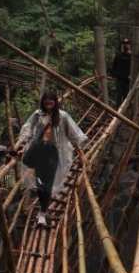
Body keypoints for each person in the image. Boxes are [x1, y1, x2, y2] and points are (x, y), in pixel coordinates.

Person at [14, 91, 88, 227]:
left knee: (46, 185)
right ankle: (42, 212)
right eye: (46, 100)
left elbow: (73, 135)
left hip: (53, 152)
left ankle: (42, 213)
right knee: (40, 184)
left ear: (55, 102)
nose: (48, 102)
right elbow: (28, 130)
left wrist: (81, 153)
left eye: (51, 100)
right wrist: (21, 145)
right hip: (37, 150)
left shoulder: (63, 116)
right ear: (43, 101)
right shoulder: (37, 115)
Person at [111, 38, 132, 104]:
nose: (126, 45)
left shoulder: (132, 56)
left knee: (127, 97)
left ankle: (125, 112)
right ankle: (117, 112)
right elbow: (114, 66)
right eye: (124, 44)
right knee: (118, 97)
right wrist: (115, 75)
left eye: (127, 44)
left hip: (128, 80)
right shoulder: (118, 55)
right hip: (120, 79)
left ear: (130, 45)